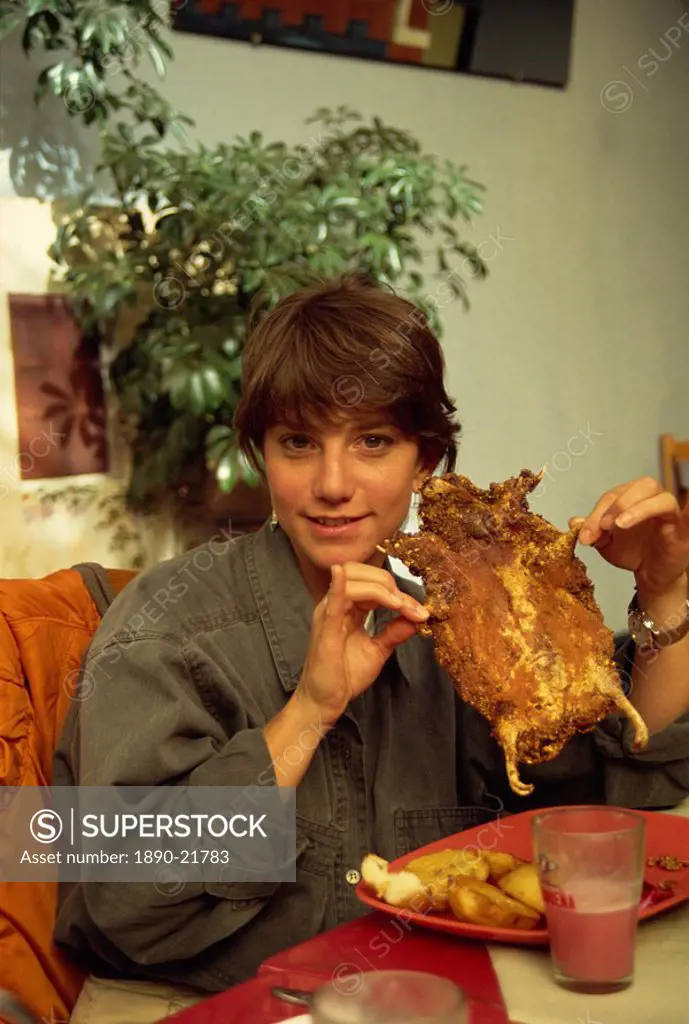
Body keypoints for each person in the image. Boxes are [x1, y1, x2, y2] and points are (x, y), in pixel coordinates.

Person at [54, 273, 689, 1023]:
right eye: (297, 443)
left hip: (402, 997)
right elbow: (120, 900)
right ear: (260, 454)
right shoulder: (166, 626)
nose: (332, 483)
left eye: (373, 442)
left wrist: (664, 593)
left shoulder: (449, 625)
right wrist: (310, 709)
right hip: (183, 1001)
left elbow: (608, 793)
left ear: (424, 461)